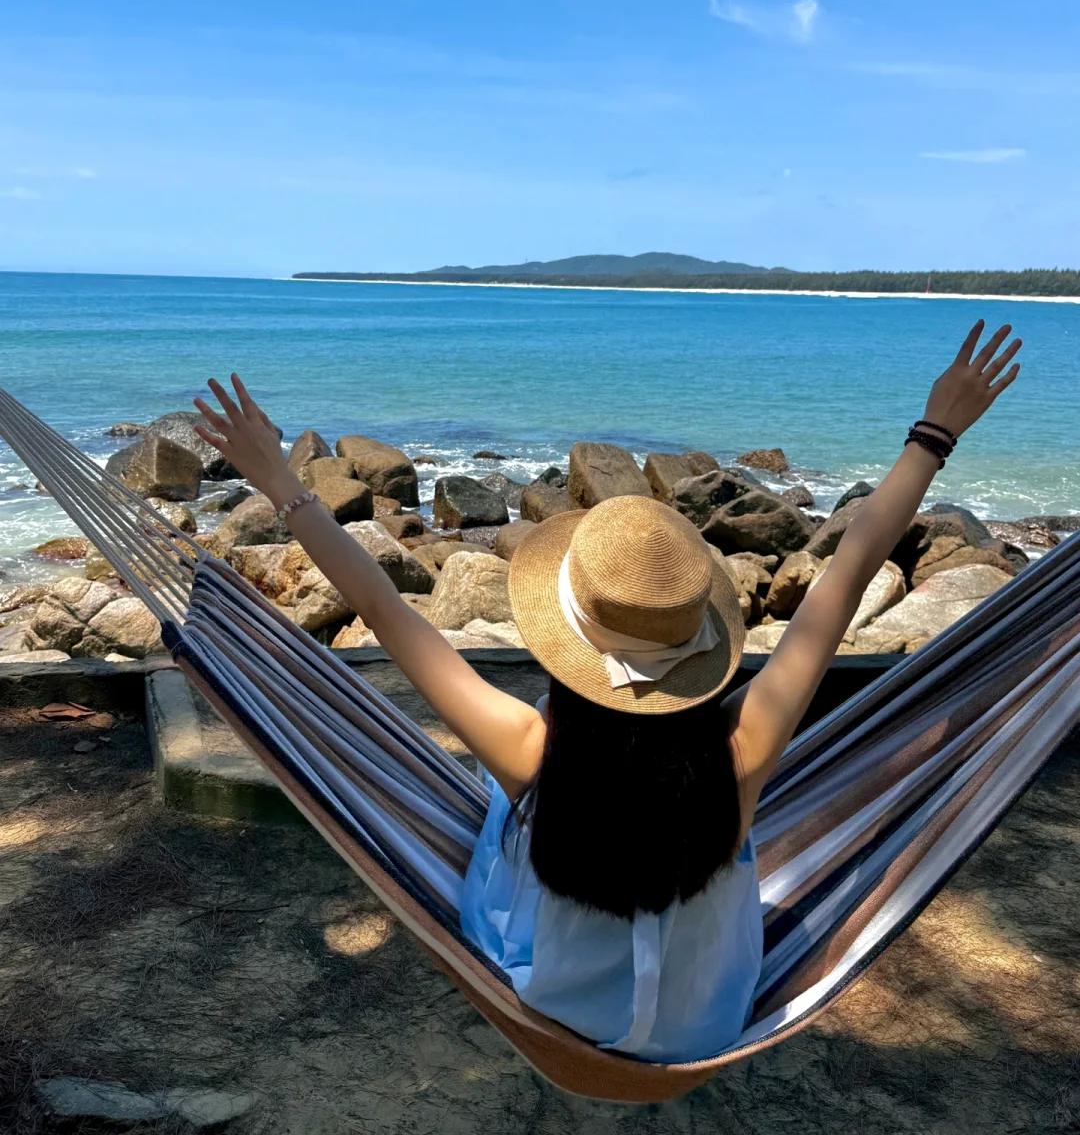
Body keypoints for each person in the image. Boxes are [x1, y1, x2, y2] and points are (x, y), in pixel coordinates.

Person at [193, 318, 1021, 1062]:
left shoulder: (528, 749)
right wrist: (934, 432)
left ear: (569, 643)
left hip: (556, 1008)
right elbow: (846, 574)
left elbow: (379, 602)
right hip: (712, 1024)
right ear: (701, 645)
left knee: (498, 807)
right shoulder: (742, 753)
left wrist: (283, 484)